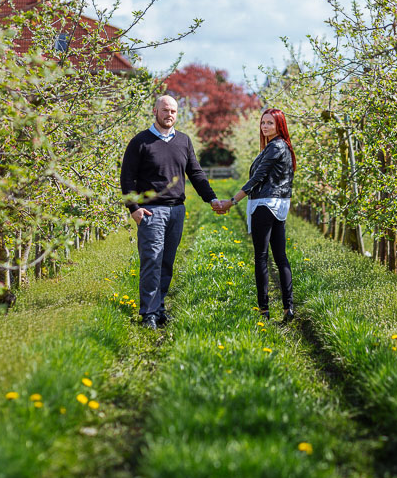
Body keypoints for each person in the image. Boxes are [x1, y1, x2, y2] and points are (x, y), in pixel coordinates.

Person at [121, 95, 225, 329]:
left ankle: (159, 307)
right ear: (155, 111)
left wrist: (211, 198)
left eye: (174, 112)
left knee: (167, 262)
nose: (169, 115)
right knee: (151, 261)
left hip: (177, 211)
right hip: (151, 212)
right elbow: (127, 177)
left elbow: (196, 174)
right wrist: (134, 209)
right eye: (165, 110)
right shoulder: (140, 142)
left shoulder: (184, 141)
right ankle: (148, 313)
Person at [214, 108, 296, 322]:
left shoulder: (274, 147)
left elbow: (258, 178)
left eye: (270, 122)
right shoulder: (283, 146)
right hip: (280, 205)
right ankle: (288, 308)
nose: (265, 126)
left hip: (264, 205)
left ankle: (264, 310)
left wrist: (232, 201)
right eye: (263, 122)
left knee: (261, 257)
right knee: (280, 256)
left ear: (280, 125)